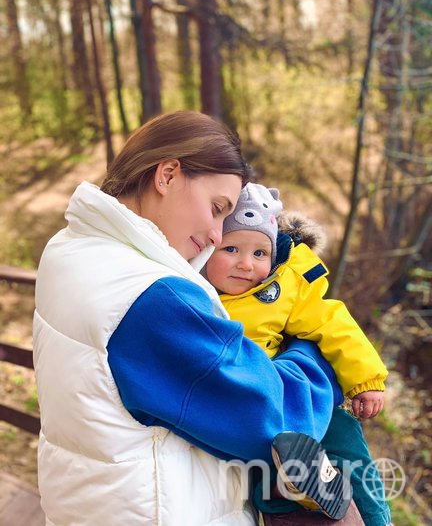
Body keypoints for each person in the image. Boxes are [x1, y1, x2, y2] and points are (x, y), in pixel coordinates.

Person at [33, 111, 348, 526]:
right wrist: (313, 348)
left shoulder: (70, 248)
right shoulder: (151, 298)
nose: (218, 235)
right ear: (167, 175)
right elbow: (279, 421)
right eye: (217, 208)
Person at [204, 182, 392, 525]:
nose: (246, 264)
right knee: (262, 474)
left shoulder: (282, 288)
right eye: (231, 249)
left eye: (259, 254)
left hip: (296, 395)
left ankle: (376, 517)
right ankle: (304, 490)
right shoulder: (195, 292)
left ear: (273, 255)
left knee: (347, 444)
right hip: (251, 403)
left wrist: (366, 379)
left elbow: (331, 322)